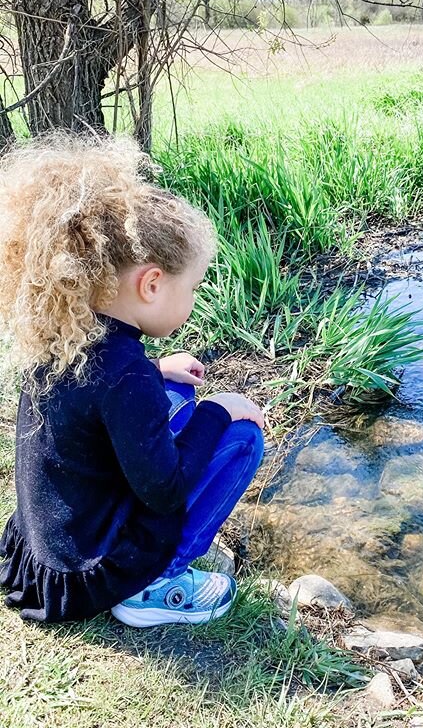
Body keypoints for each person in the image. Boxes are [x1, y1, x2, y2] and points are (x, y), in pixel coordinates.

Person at [0, 134, 265, 627]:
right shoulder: (123, 377)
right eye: (192, 287)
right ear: (151, 284)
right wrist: (218, 410)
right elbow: (167, 490)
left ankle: (145, 567)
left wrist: (158, 371)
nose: (193, 299)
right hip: (91, 571)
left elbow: (94, 405)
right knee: (243, 438)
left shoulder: (66, 336)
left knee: (176, 390)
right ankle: (156, 582)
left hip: (46, 552)